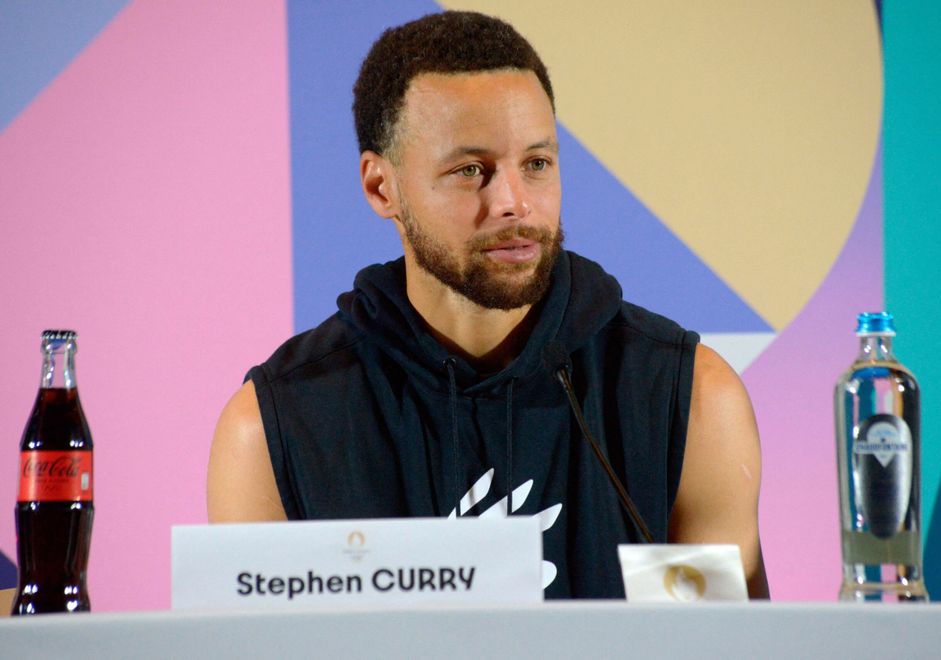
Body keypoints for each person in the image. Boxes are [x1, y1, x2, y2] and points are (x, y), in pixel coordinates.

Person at [208, 10, 769, 600]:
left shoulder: (690, 400)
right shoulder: (275, 429)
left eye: (536, 164)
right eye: (471, 170)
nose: (514, 203)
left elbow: (712, 643)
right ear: (382, 187)